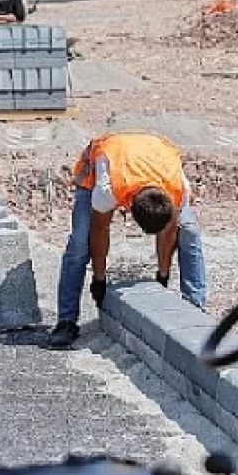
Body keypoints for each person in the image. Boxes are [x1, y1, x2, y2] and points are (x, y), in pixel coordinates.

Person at [46, 131, 208, 349]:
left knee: (190, 231)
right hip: (105, 161)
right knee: (79, 242)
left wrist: (163, 274)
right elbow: (100, 228)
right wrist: (99, 277)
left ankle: (195, 309)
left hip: (156, 153)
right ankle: (66, 321)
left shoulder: (178, 189)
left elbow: (169, 232)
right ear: (128, 208)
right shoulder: (108, 188)